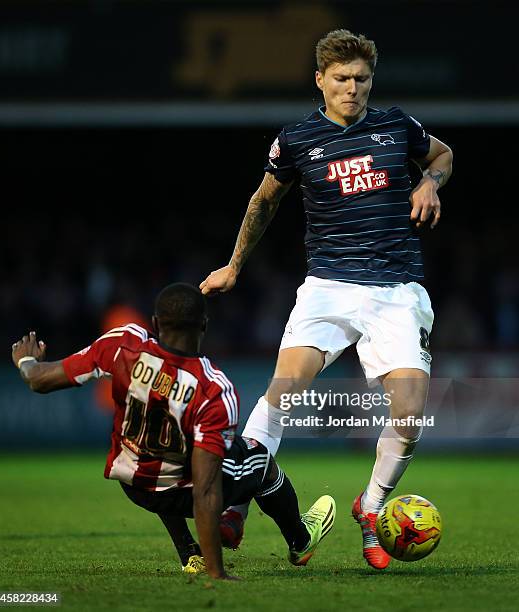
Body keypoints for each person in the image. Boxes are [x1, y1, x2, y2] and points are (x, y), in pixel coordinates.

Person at [200, 29, 453, 570]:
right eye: (342, 79)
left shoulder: (396, 126)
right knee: (283, 389)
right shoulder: (296, 140)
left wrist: (430, 180)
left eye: (362, 79)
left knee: (410, 412)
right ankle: (237, 506)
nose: (353, 88)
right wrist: (235, 265)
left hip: (396, 288)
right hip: (329, 286)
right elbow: (263, 201)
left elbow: (443, 154)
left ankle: (373, 506)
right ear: (320, 80)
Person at [12, 283, 336, 580]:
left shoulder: (122, 345)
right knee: (260, 461)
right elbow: (206, 492)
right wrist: (217, 573)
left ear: (155, 323)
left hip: (135, 485)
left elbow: (39, 379)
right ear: (205, 326)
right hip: (179, 493)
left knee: (162, 460)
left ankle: (189, 553)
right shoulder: (213, 389)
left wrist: (26, 360)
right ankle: (300, 540)